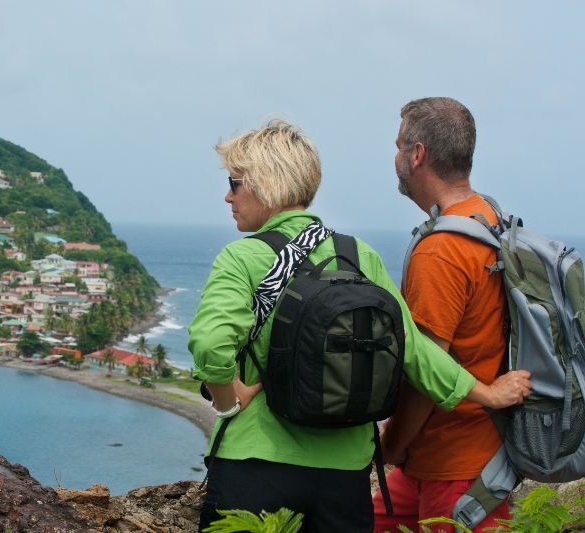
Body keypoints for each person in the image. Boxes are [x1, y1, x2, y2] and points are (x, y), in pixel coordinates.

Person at [189, 119, 532, 532]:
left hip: (255, 465)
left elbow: (211, 345)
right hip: (345, 476)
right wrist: (488, 393)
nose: (228, 196)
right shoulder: (357, 255)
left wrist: (227, 401)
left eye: (235, 182)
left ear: (266, 183)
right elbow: (415, 351)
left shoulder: (241, 258)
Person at [372, 97, 512, 532]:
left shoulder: (442, 250)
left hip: (456, 471)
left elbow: (427, 372)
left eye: (399, 146)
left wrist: (392, 444)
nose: (395, 157)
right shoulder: (490, 218)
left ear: (417, 155)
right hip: (455, 457)